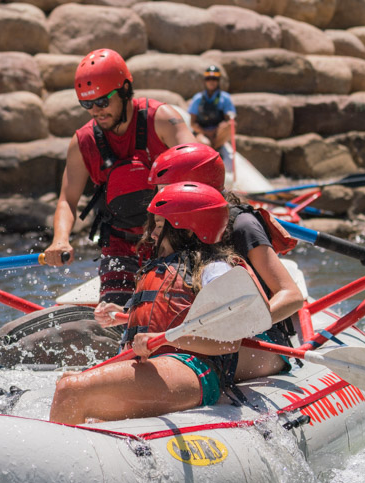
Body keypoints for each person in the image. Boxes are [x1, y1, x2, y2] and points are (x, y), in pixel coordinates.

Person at [49, 182, 246, 425]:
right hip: (150, 364)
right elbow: (162, 315)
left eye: (160, 226)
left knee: (71, 390)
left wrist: (166, 337)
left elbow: (229, 342)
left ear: (187, 229)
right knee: (68, 386)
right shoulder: (161, 267)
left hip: (193, 368)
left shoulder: (214, 270)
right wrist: (124, 315)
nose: (152, 234)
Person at [43, 48, 197, 308]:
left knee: (168, 311)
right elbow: (67, 201)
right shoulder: (82, 142)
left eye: (103, 102)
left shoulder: (162, 120)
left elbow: (199, 166)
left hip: (173, 238)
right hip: (120, 246)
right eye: (87, 104)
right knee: (114, 319)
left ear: (125, 89)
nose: (95, 111)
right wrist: (60, 239)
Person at [148, 143, 304, 381]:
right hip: (200, 333)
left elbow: (290, 295)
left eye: (168, 189)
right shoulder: (169, 226)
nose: (161, 198)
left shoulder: (242, 225)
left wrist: (238, 326)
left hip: (254, 338)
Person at [187, 65, 236, 152]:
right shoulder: (198, 98)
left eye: (214, 79)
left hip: (217, 133)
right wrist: (206, 133)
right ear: (205, 81)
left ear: (218, 81)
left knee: (231, 125)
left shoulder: (225, 98)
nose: (211, 81)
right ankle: (209, 148)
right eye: (208, 78)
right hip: (202, 132)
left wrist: (215, 131)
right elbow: (193, 123)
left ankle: (215, 147)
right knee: (205, 143)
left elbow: (229, 120)